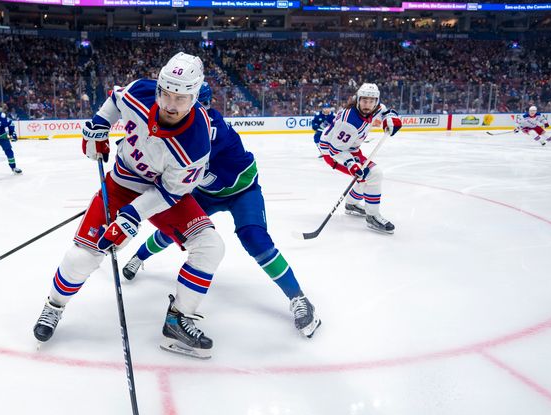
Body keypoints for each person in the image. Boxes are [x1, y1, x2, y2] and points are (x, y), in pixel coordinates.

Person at [33, 52, 225, 359]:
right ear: (159, 87)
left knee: (210, 246)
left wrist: (132, 217)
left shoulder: (197, 141)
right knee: (81, 256)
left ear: (194, 97)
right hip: (121, 185)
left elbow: (171, 193)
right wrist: (99, 125)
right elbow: (114, 100)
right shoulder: (141, 92)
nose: (171, 105)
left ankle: (178, 319)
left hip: (163, 196)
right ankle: (53, 306)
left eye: (181, 98)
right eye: (166, 94)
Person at [122, 82, 320, 338]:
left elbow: (171, 157)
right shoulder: (181, 127)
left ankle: (299, 298)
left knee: (255, 239)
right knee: (176, 229)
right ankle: (139, 258)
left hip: (242, 190)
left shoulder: (209, 129)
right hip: (206, 192)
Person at [317, 83, 402, 234]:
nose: (367, 105)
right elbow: (335, 150)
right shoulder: (349, 122)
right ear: (358, 100)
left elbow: (384, 111)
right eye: (364, 101)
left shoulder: (375, 107)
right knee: (373, 174)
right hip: (333, 153)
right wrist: (351, 164)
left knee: (365, 177)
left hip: (350, 148)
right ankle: (372, 216)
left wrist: (391, 118)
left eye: (371, 101)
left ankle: (351, 204)